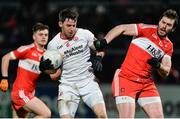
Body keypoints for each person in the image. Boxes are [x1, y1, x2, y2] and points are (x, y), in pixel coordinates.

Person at [93, 9, 179, 118]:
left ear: (173, 28)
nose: (164, 26)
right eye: (163, 22)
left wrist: (158, 65)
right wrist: (104, 42)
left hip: (146, 84)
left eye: (168, 25)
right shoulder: (145, 29)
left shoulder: (169, 46)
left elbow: (166, 71)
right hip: (126, 79)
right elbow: (121, 28)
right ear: (159, 21)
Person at [39, 8, 107, 118]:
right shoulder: (53, 45)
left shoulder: (85, 34)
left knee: (102, 116)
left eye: (74, 25)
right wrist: (45, 69)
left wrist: (98, 58)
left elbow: (100, 47)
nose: (72, 29)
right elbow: (54, 76)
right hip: (68, 86)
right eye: (68, 26)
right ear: (60, 24)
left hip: (88, 82)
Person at [0, 22, 51, 118]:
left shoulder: (47, 55)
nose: (44, 37)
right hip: (21, 93)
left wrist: (53, 70)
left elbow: (51, 74)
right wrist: (4, 78)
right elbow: (5, 58)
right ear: (34, 37)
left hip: (29, 93)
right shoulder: (27, 49)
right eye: (40, 34)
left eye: (46, 35)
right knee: (46, 113)